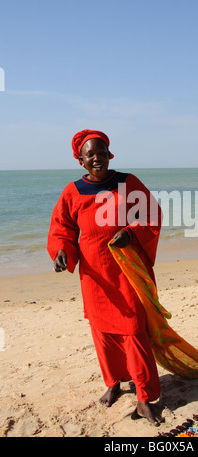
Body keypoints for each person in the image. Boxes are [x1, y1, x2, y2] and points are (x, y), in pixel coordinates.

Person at [47, 129, 164, 426]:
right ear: (80, 161)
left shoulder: (128, 182)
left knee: (134, 329)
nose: (97, 158)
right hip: (94, 274)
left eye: (101, 153)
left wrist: (131, 233)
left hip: (127, 269)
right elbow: (63, 228)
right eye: (90, 155)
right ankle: (113, 383)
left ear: (110, 155)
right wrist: (61, 251)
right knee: (102, 332)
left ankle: (144, 395)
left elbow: (150, 214)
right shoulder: (71, 192)